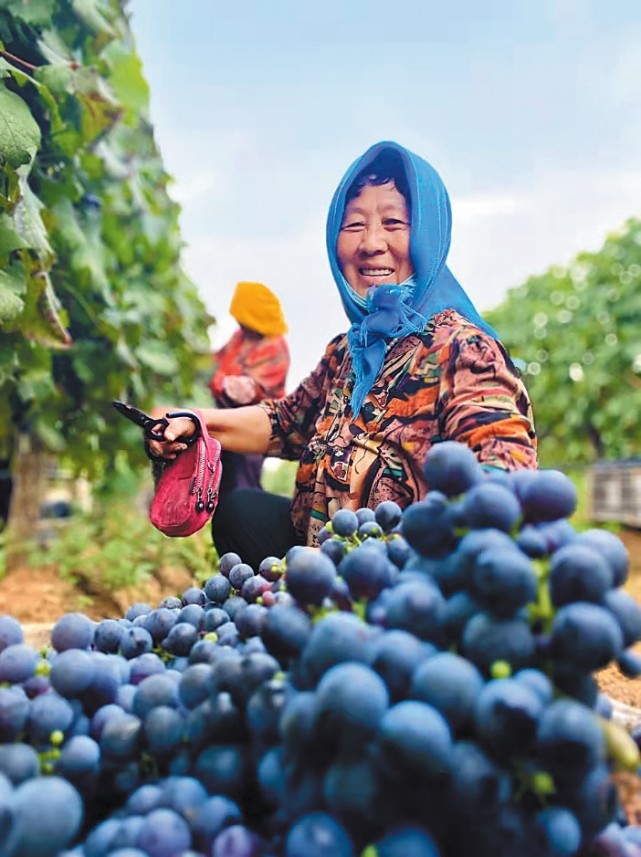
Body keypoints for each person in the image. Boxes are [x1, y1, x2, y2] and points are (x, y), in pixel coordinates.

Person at [149, 141, 537, 569]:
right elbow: (285, 422)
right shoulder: (347, 352)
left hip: (404, 575)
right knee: (242, 512)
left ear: (428, 235)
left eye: (394, 222)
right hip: (327, 559)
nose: (372, 243)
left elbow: (505, 466)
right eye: (354, 226)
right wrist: (195, 422)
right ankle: (293, 611)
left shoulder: (464, 350)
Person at [209, 281, 289, 494]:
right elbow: (216, 363)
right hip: (228, 421)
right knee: (223, 486)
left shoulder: (274, 347)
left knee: (242, 486)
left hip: (253, 426)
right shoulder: (241, 337)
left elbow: (244, 392)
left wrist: (218, 381)